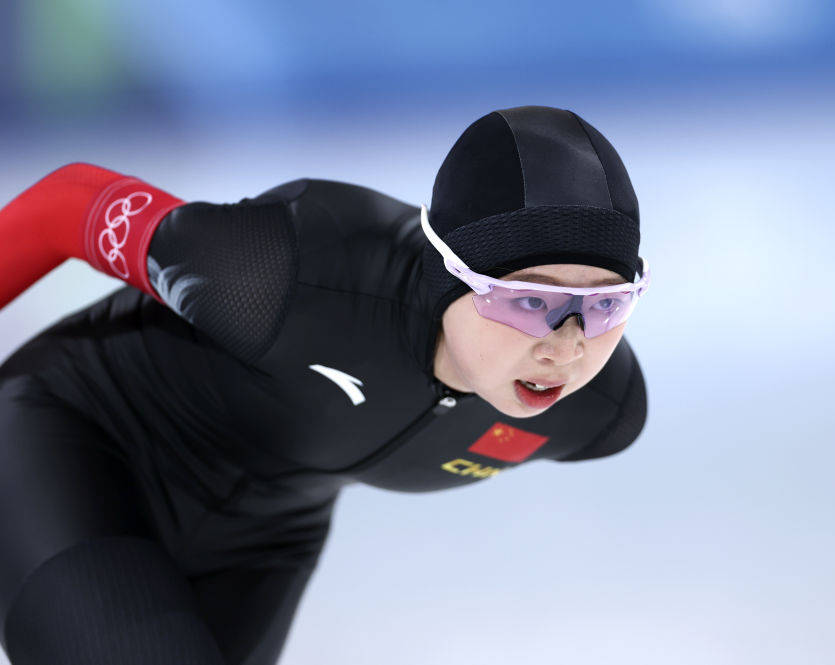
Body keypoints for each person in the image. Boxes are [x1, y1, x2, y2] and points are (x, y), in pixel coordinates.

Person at [0, 105, 650, 664]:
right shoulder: (287, 272)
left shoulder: (598, 410)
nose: (566, 346)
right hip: (77, 437)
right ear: (450, 272)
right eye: (530, 301)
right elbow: (68, 203)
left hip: (265, 536)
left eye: (606, 304)